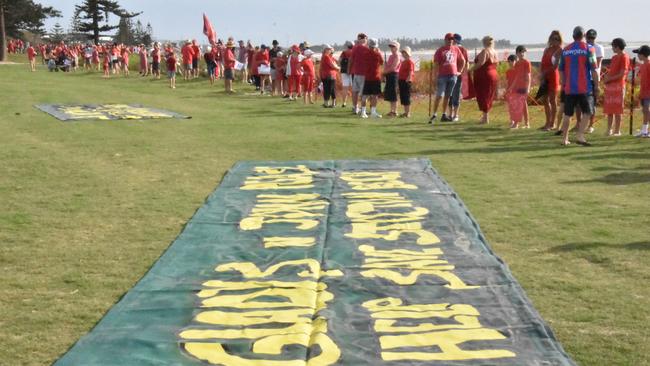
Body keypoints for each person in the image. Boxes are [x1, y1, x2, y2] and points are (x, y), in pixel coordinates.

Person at [559, 26, 599, 146]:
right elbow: (594, 69)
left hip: (570, 87)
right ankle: (580, 135)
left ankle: (564, 139)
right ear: (584, 35)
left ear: (573, 36)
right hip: (584, 87)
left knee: (567, 114)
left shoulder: (565, 50)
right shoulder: (589, 48)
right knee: (588, 111)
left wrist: (564, 82)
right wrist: (596, 85)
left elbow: (560, 69)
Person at [429, 33, 466, 123]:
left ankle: (444, 114)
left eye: (452, 39)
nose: (451, 41)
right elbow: (436, 64)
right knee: (439, 95)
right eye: (449, 39)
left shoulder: (456, 49)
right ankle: (434, 114)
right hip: (442, 76)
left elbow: (463, 60)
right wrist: (435, 76)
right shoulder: (440, 50)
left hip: (453, 76)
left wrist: (460, 71)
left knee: (448, 96)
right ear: (445, 40)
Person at [602, 38, 630, 136]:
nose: (612, 48)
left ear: (617, 47)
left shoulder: (624, 57)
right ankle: (609, 129)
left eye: (613, 46)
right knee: (610, 108)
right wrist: (606, 77)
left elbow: (622, 73)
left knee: (618, 109)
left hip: (619, 86)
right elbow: (612, 71)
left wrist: (610, 79)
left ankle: (617, 130)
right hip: (610, 87)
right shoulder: (614, 58)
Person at [472, 35, 499, 124]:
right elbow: (497, 64)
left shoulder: (485, 51)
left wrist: (470, 69)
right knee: (489, 95)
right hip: (493, 74)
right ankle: (484, 117)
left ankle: (485, 118)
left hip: (484, 75)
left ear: (484, 42)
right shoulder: (495, 51)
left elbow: (481, 63)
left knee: (483, 95)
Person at [540, 30, 563, 130]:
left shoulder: (559, 50)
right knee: (544, 99)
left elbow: (555, 66)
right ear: (550, 39)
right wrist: (542, 75)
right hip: (545, 76)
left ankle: (552, 123)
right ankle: (547, 122)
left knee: (552, 100)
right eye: (553, 38)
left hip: (553, 76)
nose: (555, 41)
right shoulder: (547, 50)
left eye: (557, 39)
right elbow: (542, 63)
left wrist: (544, 73)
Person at [585, 29, 605, 133]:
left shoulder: (598, 48)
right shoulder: (584, 47)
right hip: (584, 78)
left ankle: (591, 125)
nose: (590, 40)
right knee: (581, 103)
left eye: (592, 38)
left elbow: (596, 63)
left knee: (592, 103)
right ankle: (580, 123)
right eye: (588, 37)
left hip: (594, 78)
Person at [447, 33, 469, 122]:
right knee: (450, 94)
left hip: (457, 74)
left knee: (455, 94)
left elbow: (466, 62)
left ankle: (455, 114)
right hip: (450, 74)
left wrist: (463, 74)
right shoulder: (450, 48)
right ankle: (451, 114)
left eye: (453, 39)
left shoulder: (462, 49)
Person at [508, 46, 532, 128]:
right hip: (517, 86)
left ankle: (517, 123)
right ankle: (526, 123)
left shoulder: (526, 62)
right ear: (517, 53)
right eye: (520, 52)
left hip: (524, 86)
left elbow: (529, 76)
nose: (522, 54)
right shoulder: (517, 64)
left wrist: (528, 87)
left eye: (524, 52)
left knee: (521, 105)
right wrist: (511, 87)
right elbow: (516, 76)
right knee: (522, 105)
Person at [360, 38, 384, 118]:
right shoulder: (377, 54)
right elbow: (382, 62)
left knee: (364, 95)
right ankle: (373, 112)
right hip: (376, 77)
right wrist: (379, 52)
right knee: (375, 95)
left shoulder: (365, 53)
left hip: (367, 77)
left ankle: (363, 112)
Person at [348, 33, 370, 114]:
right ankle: (362, 108)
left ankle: (355, 107)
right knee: (363, 92)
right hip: (363, 73)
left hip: (355, 72)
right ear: (364, 39)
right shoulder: (366, 49)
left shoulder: (355, 48)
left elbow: (351, 59)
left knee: (355, 91)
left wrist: (349, 70)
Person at [633, 45, 650, 137]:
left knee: (646, 110)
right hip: (644, 92)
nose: (637, 56)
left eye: (638, 54)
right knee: (645, 111)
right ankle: (645, 130)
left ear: (642, 55)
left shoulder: (649, 64)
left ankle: (644, 130)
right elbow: (640, 79)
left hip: (648, 92)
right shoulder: (643, 65)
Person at [383, 40, 401, 117]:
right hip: (389, 75)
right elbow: (387, 67)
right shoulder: (391, 56)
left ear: (397, 47)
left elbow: (393, 68)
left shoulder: (397, 56)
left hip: (394, 75)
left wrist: (385, 72)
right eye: (391, 46)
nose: (391, 48)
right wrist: (385, 68)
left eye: (393, 46)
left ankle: (395, 111)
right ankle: (391, 110)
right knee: (390, 93)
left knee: (394, 94)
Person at [398, 46, 415, 118]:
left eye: (405, 52)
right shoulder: (404, 61)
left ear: (408, 53)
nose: (403, 54)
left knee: (406, 97)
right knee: (403, 97)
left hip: (406, 81)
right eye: (403, 52)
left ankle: (408, 113)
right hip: (401, 80)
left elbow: (411, 71)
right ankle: (405, 112)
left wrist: (408, 79)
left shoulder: (410, 62)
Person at [338, 41, 353, 108]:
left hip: (344, 71)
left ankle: (344, 102)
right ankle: (354, 104)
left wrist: (341, 66)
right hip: (352, 71)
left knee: (345, 87)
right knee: (353, 88)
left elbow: (339, 60)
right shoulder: (354, 52)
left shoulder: (344, 52)